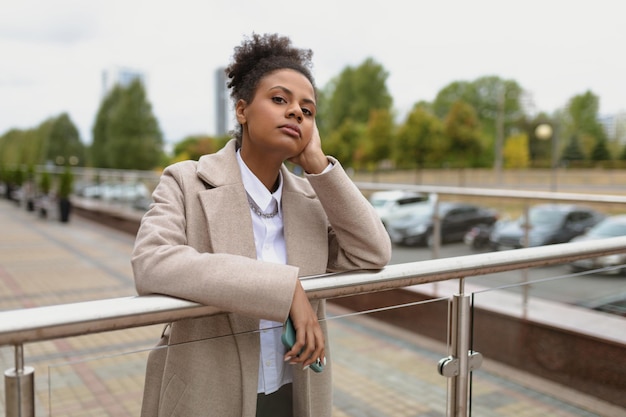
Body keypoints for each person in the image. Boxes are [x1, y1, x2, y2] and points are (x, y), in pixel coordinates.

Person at [131, 33, 391, 417]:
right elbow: (152, 261)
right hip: (207, 396)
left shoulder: (310, 199)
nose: (296, 113)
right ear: (241, 110)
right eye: (280, 99)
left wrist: (318, 164)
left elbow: (373, 252)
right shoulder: (186, 180)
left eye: (308, 110)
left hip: (295, 394)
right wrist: (283, 289)